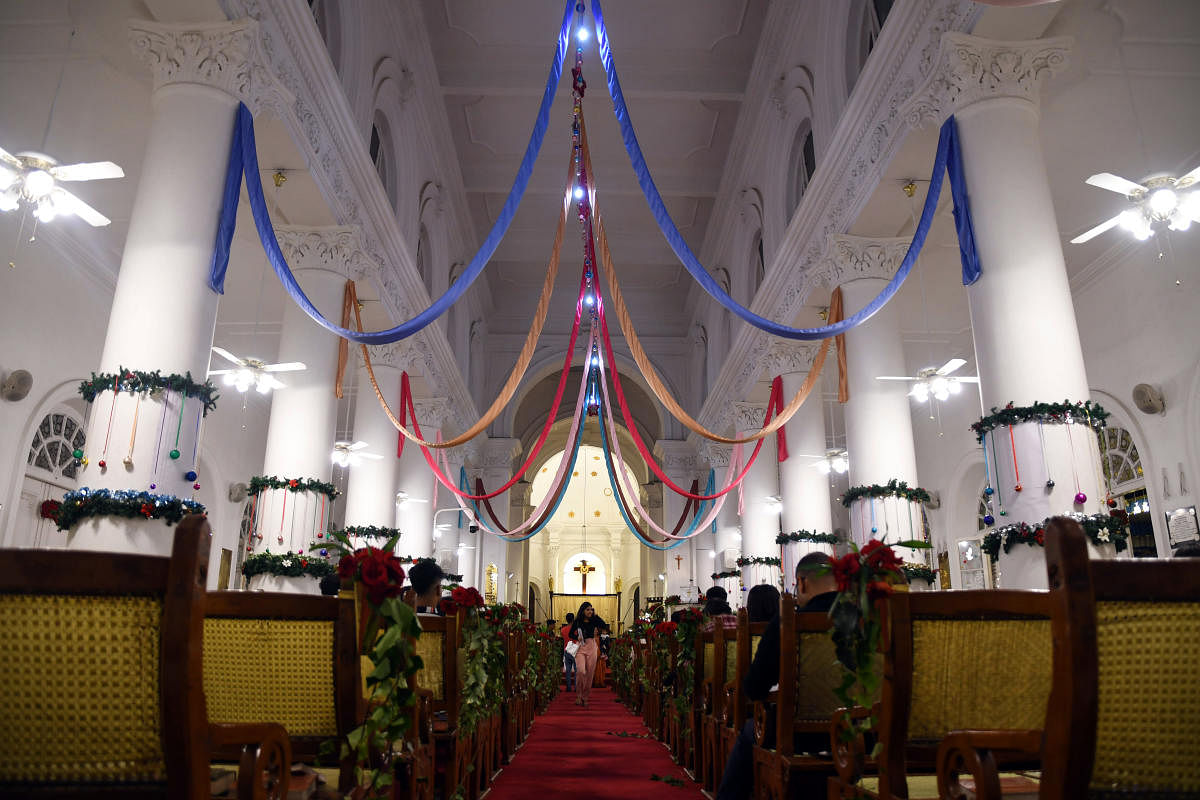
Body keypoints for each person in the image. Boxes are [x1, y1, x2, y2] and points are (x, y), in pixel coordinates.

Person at [716, 552, 839, 800]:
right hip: (862, 737)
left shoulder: (788, 621)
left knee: (750, 732)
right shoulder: (868, 619)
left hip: (800, 738)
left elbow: (754, 687)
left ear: (802, 582)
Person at [568, 602, 608, 707]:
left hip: (591, 647)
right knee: (580, 671)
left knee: (590, 674)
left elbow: (604, 625)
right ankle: (579, 696)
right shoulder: (578, 621)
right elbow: (570, 634)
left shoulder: (594, 620)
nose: (590, 611)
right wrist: (577, 637)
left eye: (591, 609)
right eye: (588, 609)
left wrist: (596, 616)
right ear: (583, 611)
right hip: (580, 647)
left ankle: (585, 697)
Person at [560, 612, 576, 692]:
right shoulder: (576, 629)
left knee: (568, 670)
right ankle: (576, 687)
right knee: (577, 670)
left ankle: (568, 687)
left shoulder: (563, 630)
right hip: (575, 650)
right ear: (573, 619)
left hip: (567, 650)